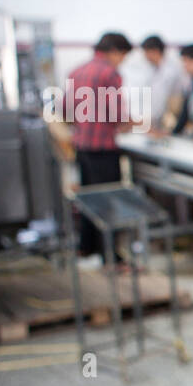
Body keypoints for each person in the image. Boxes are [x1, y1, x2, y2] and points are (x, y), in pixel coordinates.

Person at [65, 31, 135, 255]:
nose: (122, 61)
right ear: (114, 51)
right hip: (103, 150)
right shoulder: (109, 73)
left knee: (89, 201)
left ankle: (87, 248)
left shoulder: (76, 72)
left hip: (82, 147)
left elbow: (66, 110)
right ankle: (110, 256)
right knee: (108, 202)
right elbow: (116, 116)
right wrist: (137, 124)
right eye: (123, 56)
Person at [139, 35, 186, 133]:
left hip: (166, 122)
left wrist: (168, 124)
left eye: (146, 52)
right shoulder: (150, 69)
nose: (145, 56)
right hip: (149, 121)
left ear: (155, 51)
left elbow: (177, 101)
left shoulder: (172, 71)